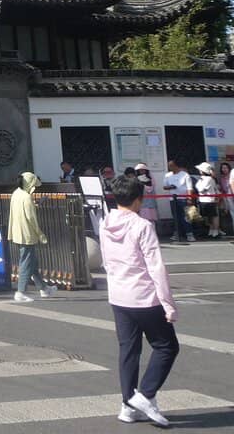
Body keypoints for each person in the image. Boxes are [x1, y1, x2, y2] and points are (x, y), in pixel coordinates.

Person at [99, 171, 179, 427]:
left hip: (118, 295)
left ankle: (127, 405)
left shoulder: (105, 222)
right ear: (137, 200)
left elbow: (105, 259)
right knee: (167, 346)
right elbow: (156, 267)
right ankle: (144, 394)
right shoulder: (142, 225)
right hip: (144, 296)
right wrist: (168, 302)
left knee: (129, 350)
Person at [7, 171, 57, 303]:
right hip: (27, 234)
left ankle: (44, 289)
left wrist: (37, 204)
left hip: (17, 232)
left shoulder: (16, 193)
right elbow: (32, 219)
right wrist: (40, 234)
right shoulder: (26, 197)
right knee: (26, 263)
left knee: (32, 263)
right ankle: (20, 292)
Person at [163, 158, 195, 243]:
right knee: (175, 217)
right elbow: (165, 187)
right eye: (169, 166)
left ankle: (189, 234)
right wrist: (171, 187)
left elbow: (189, 187)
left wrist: (189, 198)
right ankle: (177, 233)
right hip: (172, 198)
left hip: (183, 198)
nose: (170, 167)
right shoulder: (167, 175)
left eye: (171, 166)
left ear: (176, 166)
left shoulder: (184, 175)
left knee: (185, 217)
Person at [195, 162, 223, 239]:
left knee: (213, 216)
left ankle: (215, 232)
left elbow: (201, 189)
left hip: (210, 200)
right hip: (203, 200)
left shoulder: (209, 179)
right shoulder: (202, 179)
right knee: (207, 217)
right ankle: (211, 231)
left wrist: (199, 185)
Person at [134, 164, 159, 232]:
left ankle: (153, 234)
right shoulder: (136, 180)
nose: (142, 171)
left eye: (143, 170)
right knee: (142, 220)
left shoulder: (151, 179)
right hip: (141, 203)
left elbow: (151, 188)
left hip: (150, 203)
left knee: (151, 220)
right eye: (140, 170)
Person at [219, 162, 234, 232]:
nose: (224, 169)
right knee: (232, 212)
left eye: (225, 168)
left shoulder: (232, 174)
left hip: (232, 194)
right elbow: (222, 189)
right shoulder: (221, 178)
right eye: (223, 168)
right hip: (227, 197)